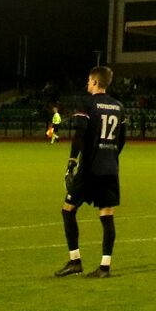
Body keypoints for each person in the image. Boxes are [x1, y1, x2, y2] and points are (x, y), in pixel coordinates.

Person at [55, 66, 127, 279]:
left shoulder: (88, 104)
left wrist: (72, 161)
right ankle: (104, 267)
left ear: (95, 82)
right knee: (106, 215)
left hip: (90, 168)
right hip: (110, 168)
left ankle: (75, 261)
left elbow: (80, 133)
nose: (87, 83)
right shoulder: (118, 106)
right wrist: (111, 156)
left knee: (68, 210)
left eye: (89, 80)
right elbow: (121, 140)